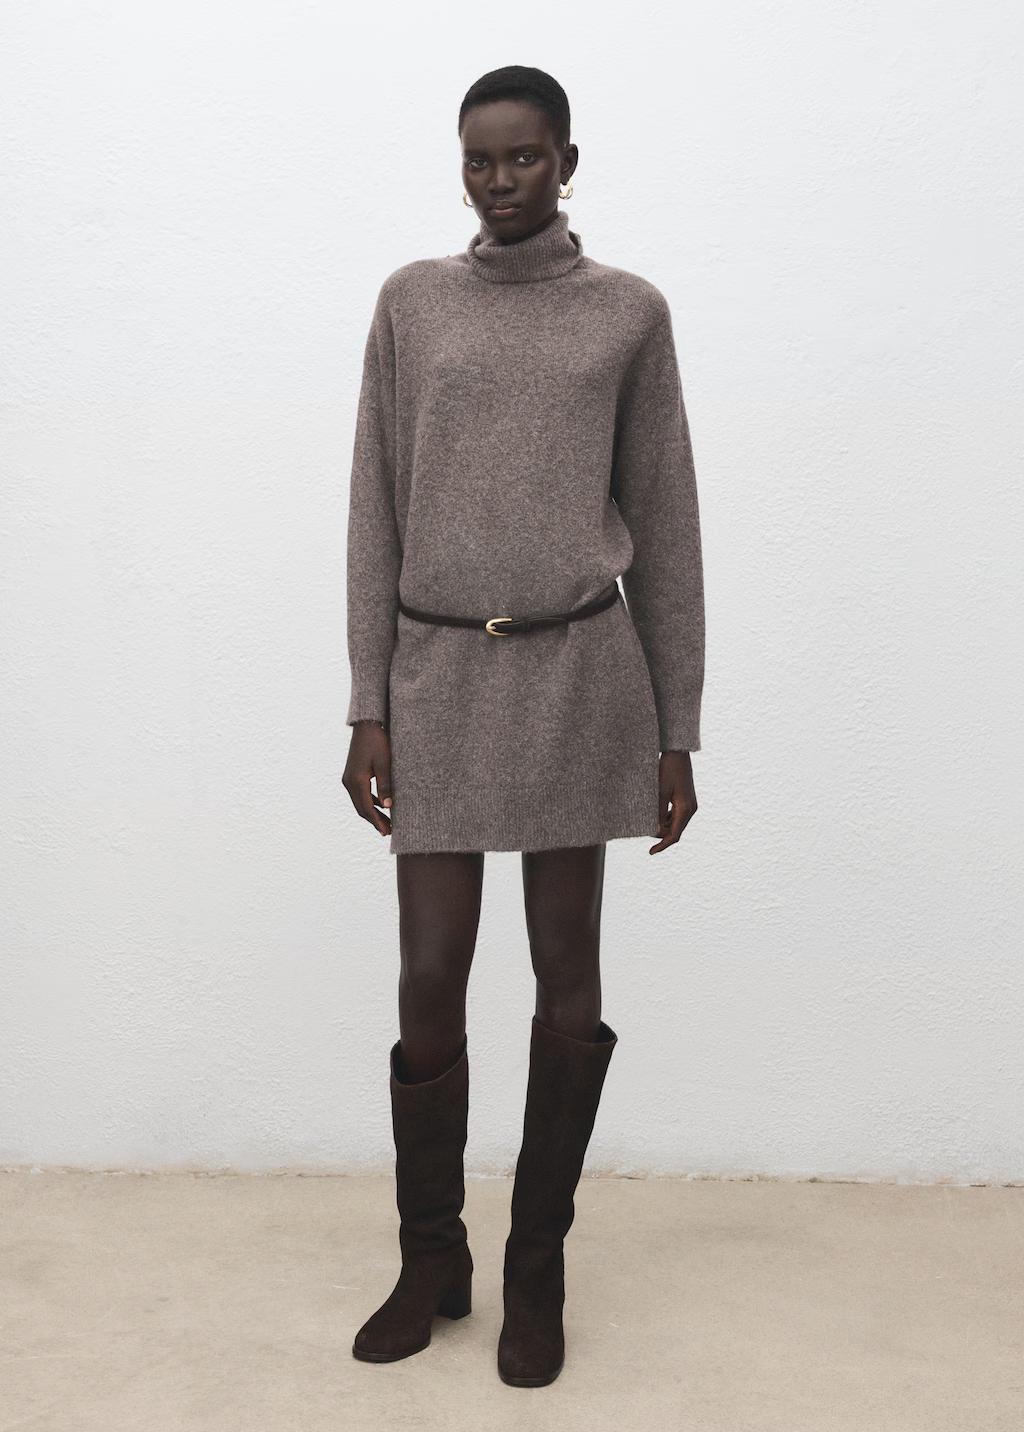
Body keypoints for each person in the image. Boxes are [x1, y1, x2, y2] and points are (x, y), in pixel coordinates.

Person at [342, 64, 705, 1388]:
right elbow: (375, 507)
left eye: (525, 157)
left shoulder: (627, 314)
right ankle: (430, 1256)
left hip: (579, 679)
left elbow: (664, 516)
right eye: (478, 161)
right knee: (429, 974)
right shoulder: (412, 304)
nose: (500, 180)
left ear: (567, 161)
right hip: (438, 673)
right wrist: (369, 700)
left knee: (568, 976)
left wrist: (678, 726)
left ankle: (536, 1268)